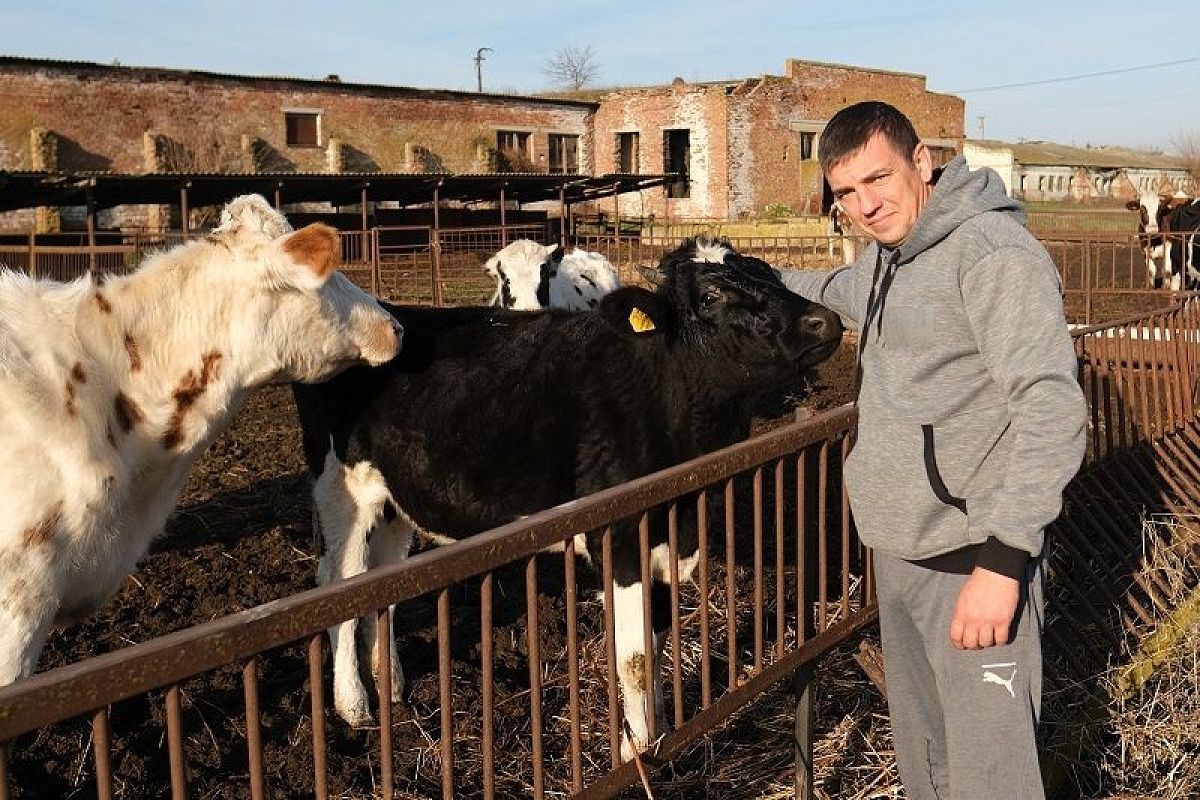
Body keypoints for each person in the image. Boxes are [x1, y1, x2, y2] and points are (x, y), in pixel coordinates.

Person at [777, 101, 1085, 799]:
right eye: (847, 193)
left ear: (922, 163)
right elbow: (828, 289)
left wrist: (1004, 561)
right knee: (929, 762)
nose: (865, 206)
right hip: (902, 548)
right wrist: (739, 275)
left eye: (878, 180)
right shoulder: (892, 257)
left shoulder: (991, 255)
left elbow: (1051, 405)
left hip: (972, 557)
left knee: (990, 775)